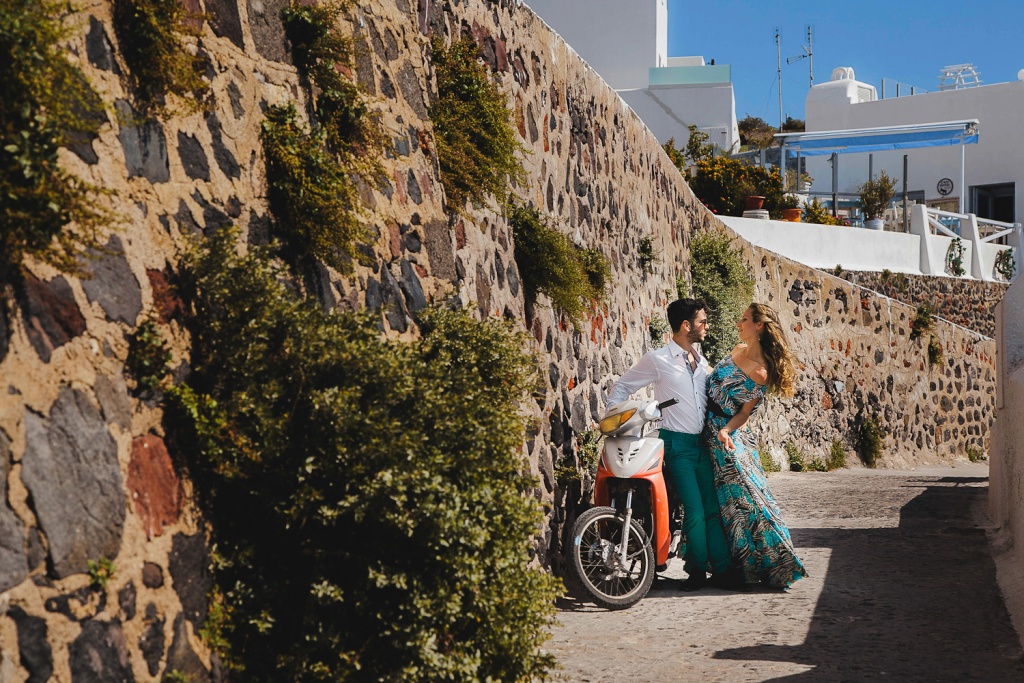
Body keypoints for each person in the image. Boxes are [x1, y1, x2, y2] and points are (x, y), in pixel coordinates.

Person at [606, 299, 731, 591]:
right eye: (702, 321)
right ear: (686, 325)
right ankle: (697, 571)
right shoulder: (658, 359)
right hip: (676, 446)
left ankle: (724, 572)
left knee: (712, 509)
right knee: (695, 510)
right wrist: (615, 417)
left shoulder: (701, 361)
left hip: (702, 445)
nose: (706, 326)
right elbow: (623, 386)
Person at [704, 302, 807, 589]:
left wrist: (725, 430)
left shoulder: (760, 373)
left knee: (747, 503)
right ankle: (730, 566)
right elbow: (713, 380)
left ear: (759, 325)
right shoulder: (738, 349)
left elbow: (744, 413)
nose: (739, 323)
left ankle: (768, 566)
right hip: (706, 430)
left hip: (727, 439)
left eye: (744, 319)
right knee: (723, 505)